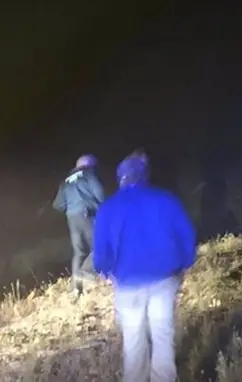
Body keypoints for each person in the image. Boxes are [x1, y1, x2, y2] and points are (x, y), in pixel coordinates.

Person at [93, 156, 197, 382]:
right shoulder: (166, 199)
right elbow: (186, 234)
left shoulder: (108, 208)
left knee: (133, 341)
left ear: (120, 178)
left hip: (128, 283)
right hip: (165, 278)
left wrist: (104, 270)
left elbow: (101, 248)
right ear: (145, 176)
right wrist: (186, 262)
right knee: (162, 336)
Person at [52, 154, 106, 299]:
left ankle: (76, 289)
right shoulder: (88, 174)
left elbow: (58, 205)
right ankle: (86, 273)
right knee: (99, 246)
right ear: (90, 165)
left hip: (72, 217)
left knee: (79, 252)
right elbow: (99, 193)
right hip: (88, 213)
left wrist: (71, 207)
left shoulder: (65, 181)